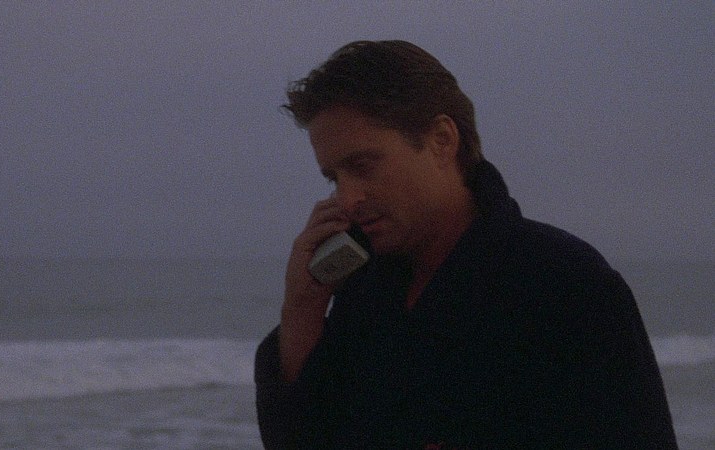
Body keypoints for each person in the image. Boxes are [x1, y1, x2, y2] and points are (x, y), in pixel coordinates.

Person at [255, 40, 677, 449]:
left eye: (362, 166)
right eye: (334, 178)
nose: (347, 199)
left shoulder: (565, 284)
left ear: (441, 140)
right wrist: (302, 307)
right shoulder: (365, 292)